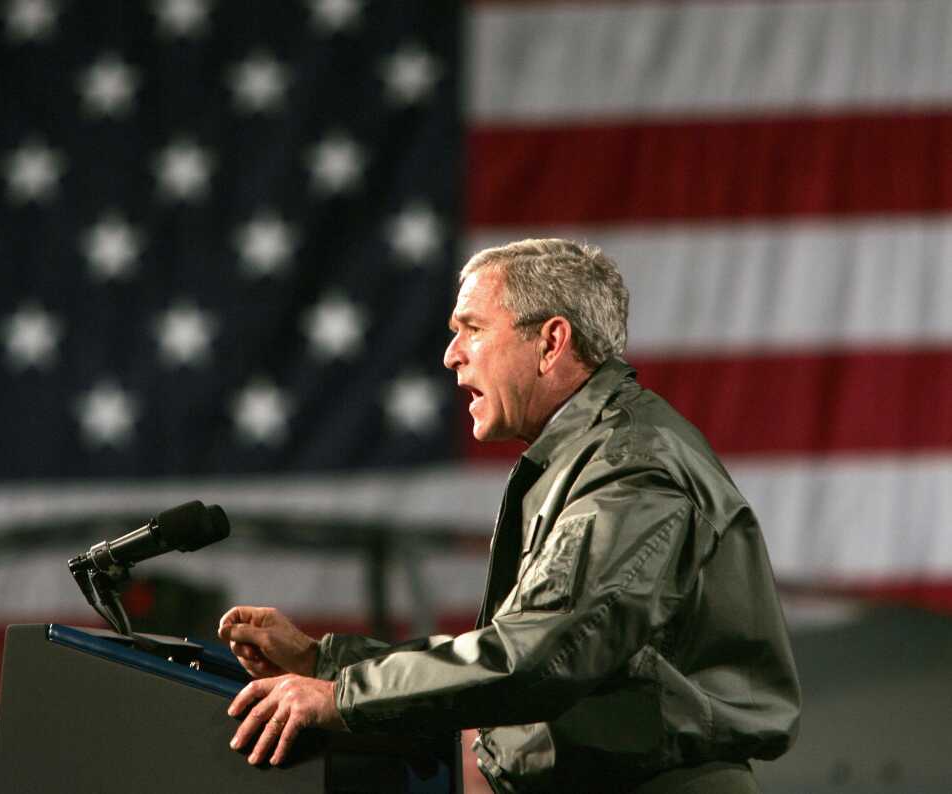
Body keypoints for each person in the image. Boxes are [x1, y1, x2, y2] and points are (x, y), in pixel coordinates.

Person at [220, 239, 801, 793]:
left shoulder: (631, 467)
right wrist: (324, 661)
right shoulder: (587, 455)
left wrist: (344, 695)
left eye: (472, 329)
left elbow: (538, 657)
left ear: (551, 343)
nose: (451, 354)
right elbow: (513, 645)